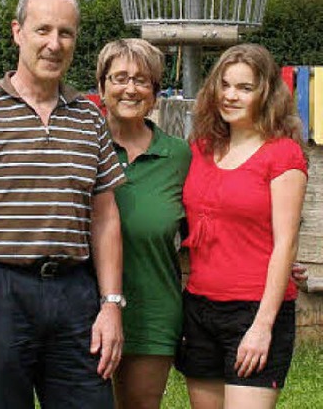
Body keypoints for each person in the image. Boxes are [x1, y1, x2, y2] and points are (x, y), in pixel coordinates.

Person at [0, 0, 126, 409]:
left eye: (66, 33)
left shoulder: (89, 116)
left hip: (75, 293)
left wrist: (110, 306)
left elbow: (105, 218)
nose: (54, 44)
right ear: (18, 33)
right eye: (43, 30)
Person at [176, 43, 308, 408]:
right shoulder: (200, 148)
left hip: (255, 310)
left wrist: (263, 326)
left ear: (265, 94)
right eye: (225, 84)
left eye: (244, 88)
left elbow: (286, 243)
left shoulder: (283, 154)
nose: (230, 96)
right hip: (199, 308)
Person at [96, 38, 191, 409]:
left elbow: (214, 220)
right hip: (80, 308)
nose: (131, 88)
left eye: (142, 80)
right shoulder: (83, 146)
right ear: (101, 85)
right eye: (120, 77)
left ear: (155, 92)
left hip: (151, 308)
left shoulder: (178, 156)